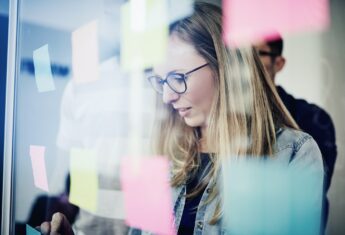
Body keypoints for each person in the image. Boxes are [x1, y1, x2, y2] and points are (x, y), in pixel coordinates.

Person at [38, 3, 324, 235]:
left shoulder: (294, 153)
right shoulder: (164, 149)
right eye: (161, 81)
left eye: (177, 78)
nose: (167, 97)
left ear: (224, 66)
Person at [255, 36, 337, 234]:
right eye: (241, 55)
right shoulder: (223, 119)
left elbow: (303, 201)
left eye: (259, 53)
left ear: (279, 63)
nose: (249, 62)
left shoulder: (313, 118)